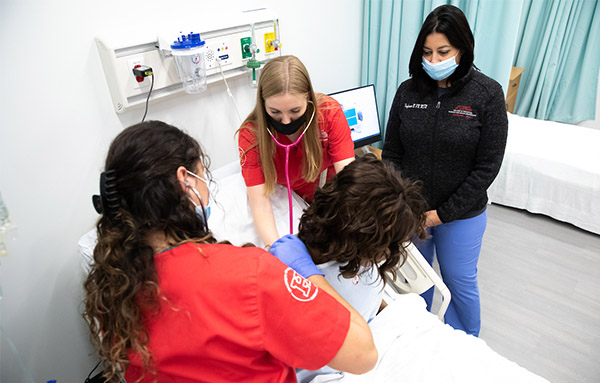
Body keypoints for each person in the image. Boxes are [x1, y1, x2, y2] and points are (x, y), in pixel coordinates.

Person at [83, 121, 377, 383]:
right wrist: (309, 274)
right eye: (204, 177)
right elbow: (363, 354)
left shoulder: (110, 286)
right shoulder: (249, 274)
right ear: (185, 180)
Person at [271, 155, 547, 383]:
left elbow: (365, 296)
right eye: (381, 247)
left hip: (395, 338)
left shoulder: (359, 255)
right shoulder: (290, 271)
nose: (385, 255)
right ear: (356, 237)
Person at [382, 4, 508, 336]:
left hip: (462, 214)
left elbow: (487, 167)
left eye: (443, 52)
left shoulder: (488, 95)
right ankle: (423, 337)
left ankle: (466, 344)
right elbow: (392, 153)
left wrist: (442, 214)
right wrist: (401, 205)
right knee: (415, 278)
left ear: (462, 49)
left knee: (458, 280)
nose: (434, 61)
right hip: (410, 211)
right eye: (427, 52)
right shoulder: (407, 93)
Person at [238, 55, 355, 247]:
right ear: (262, 103)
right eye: (275, 112)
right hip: (286, 201)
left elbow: (349, 179)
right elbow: (259, 203)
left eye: (295, 111)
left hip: (330, 196)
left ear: (308, 98)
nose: (285, 121)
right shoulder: (251, 135)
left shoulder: (329, 114)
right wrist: (277, 249)